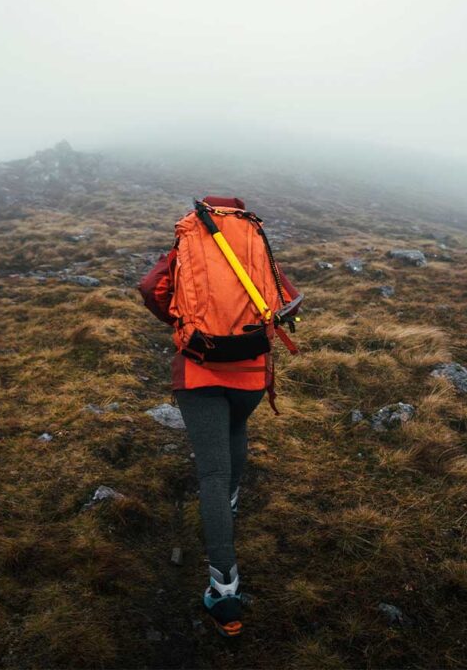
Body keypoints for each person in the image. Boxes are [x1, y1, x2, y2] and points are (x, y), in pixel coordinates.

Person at [138, 195, 301, 638]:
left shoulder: (189, 241)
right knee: (237, 427)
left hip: (198, 368)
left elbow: (151, 288)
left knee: (210, 471)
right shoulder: (254, 240)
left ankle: (223, 589)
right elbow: (290, 299)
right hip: (250, 372)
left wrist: (180, 322)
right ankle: (228, 505)